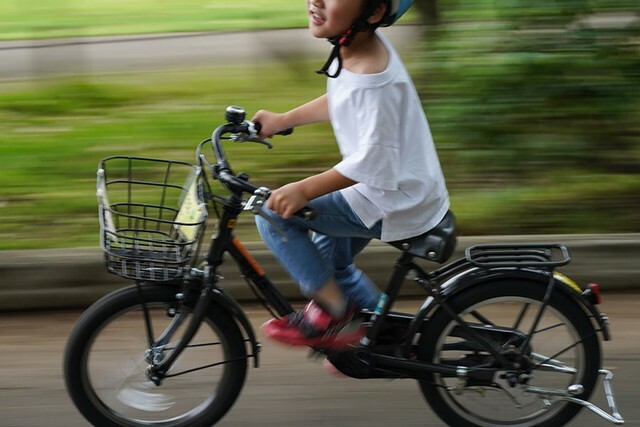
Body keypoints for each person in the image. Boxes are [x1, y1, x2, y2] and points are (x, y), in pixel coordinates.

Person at [252, 0, 449, 349]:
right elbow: (343, 99)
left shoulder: (374, 78)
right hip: (394, 188)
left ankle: (336, 315)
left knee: (272, 214)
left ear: (372, 13)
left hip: (391, 198)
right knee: (334, 265)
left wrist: (303, 189)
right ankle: (377, 336)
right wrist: (283, 120)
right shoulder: (358, 52)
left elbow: (374, 163)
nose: (316, 1)